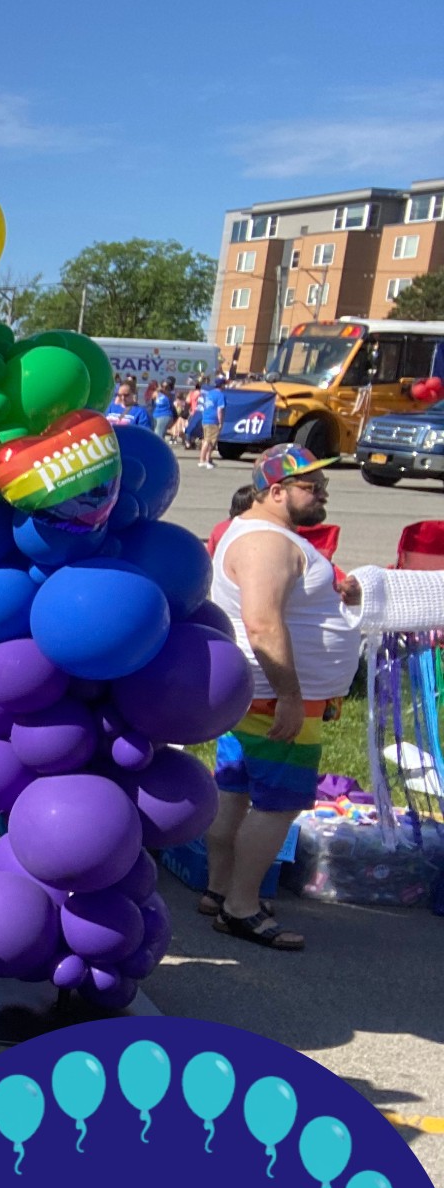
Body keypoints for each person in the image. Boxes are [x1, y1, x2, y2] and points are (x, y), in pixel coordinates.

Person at [205, 445, 365, 952]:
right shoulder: (266, 544)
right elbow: (263, 622)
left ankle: (220, 890)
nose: (322, 494)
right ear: (275, 491)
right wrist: (292, 696)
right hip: (277, 701)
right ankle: (242, 909)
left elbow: (281, 605)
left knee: (235, 791)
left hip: (255, 697)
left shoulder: (259, 535)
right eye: (310, 486)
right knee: (277, 806)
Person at [196, 380, 224, 470]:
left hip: (205, 419)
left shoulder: (209, 394)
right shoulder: (220, 395)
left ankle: (204, 459)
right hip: (213, 420)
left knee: (206, 440)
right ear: (222, 385)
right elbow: (220, 410)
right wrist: (220, 422)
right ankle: (205, 461)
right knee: (210, 441)